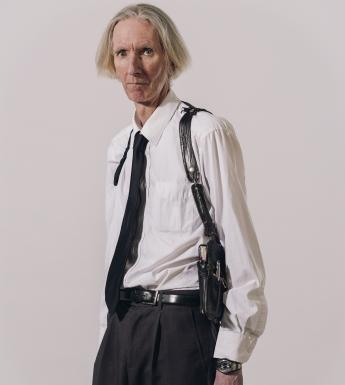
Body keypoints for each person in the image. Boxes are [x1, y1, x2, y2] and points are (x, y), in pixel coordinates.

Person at [92, 4, 268, 385]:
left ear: (170, 57)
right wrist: (105, 335)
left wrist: (230, 359)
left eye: (147, 51)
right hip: (121, 327)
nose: (133, 66)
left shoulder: (205, 133)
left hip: (181, 330)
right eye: (122, 53)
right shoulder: (120, 147)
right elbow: (114, 251)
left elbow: (240, 248)